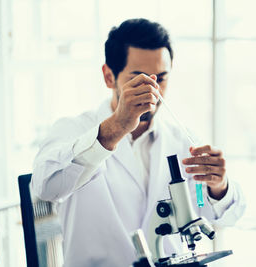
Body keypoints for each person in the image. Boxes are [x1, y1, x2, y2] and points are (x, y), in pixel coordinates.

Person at [32, 18, 245, 267]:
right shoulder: (72, 129)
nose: (153, 91)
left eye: (161, 78)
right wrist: (116, 127)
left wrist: (218, 186)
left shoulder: (181, 139)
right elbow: (45, 187)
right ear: (109, 76)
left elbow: (223, 215)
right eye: (140, 80)